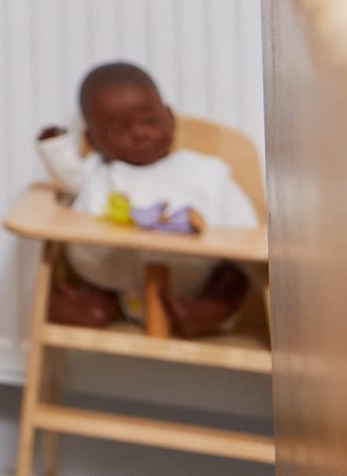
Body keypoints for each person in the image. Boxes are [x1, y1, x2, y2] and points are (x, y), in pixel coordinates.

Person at [36, 62, 258, 334]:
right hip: (112, 276)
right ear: (92, 139)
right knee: (99, 290)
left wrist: (242, 247)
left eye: (150, 121)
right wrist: (54, 148)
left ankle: (200, 314)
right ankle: (97, 307)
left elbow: (246, 226)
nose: (140, 133)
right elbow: (67, 180)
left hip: (191, 280)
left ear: (170, 117)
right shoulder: (98, 171)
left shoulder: (206, 171)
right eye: (118, 131)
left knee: (233, 279)